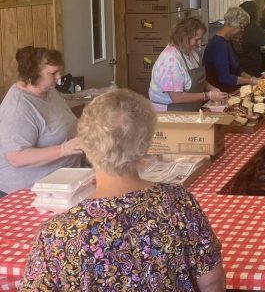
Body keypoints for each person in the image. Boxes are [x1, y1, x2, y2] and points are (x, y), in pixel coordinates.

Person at [21, 89, 225, 290]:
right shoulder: (179, 202)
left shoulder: (55, 236)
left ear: (84, 144)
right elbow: (212, 282)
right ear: (147, 145)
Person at [0, 47, 82, 197]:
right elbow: (16, 157)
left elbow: (65, 122)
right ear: (32, 74)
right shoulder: (18, 107)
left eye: (59, 71)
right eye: (52, 73)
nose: (59, 78)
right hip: (28, 191)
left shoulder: (49, 91)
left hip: (62, 178)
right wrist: (64, 149)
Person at [149, 17, 229, 111]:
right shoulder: (170, 60)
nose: (199, 43)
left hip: (190, 108)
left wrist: (212, 89)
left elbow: (197, 81)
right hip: (170, 111)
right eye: (196, 39)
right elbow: (176, 97)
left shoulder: (192, 53)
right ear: (184, 37)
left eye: (201, 39)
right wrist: (208, 95)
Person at [203, 6, 259, 93]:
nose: (242, 30)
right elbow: (225, 78)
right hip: (218, 91)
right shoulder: (219, 44)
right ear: (233, 24)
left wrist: (250, 77)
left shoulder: (227, 40)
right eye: (242, 27)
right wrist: (250, 81)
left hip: (227, 88)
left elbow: (235, 68)